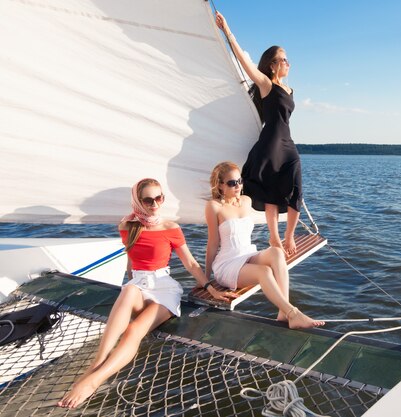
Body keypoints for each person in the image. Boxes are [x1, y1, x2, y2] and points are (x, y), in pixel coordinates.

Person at [58, 178, 236, 409]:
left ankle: (93, 381)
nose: (155, 204)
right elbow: (132, 261)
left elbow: (191, 264)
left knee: (133, 330)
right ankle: (97, 363)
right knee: (129, 289)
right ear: (137, 200)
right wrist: (131, 279)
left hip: (164, 287)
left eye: (159, 198)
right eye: (148, 199)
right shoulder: (127, 226)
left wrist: (210, 287)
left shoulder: (171, 228)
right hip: (139, 285)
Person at [215, 11, 302, 256]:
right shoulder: (267, 84)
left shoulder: (290, 89)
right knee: (273, 192)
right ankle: (275, 239)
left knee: (296, 189)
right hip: (271, 143)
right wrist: (227, 31)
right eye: (283, 59)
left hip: (287, 143)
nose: (288, 63)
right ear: (272, 65)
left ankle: (289, 236)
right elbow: (244, 61)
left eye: (288, 59)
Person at [205, 162, 324, 329]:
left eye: (240, 181)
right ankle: (293, 314)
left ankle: (283, 312)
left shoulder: (246, 200)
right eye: (232, 183)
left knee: (276, 251)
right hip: (227, 264)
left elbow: (270, 190)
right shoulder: (214, 207)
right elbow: (212, 244)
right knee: (264, 271)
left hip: (247, 255)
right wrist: (206, 280)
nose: (238, 186)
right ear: (220, 185)